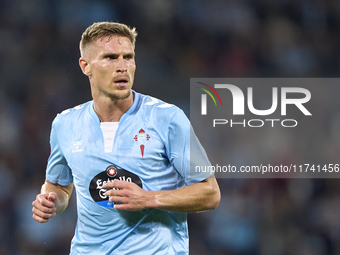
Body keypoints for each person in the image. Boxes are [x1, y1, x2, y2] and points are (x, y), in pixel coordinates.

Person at [32, 21, 220, 255]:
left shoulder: (167, 118)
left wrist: (149, 199)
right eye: (110, 58)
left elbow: (210, 193)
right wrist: (50, 201)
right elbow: (59, 186)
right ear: (85, 66)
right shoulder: (65, 124)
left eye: (128, 57)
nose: (122, 66)